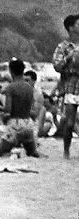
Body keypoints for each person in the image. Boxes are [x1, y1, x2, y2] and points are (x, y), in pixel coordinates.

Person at [0, 59, 39, 157]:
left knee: (2, 152)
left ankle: (17, 155)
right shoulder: (29, 88)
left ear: (11, 71)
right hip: (28, 124)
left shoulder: (11, 88)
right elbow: (32, 109)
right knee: (32, 153)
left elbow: (8, 109)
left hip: (15, 124)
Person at [52, 14, 79, 159]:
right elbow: (56, 66)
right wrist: (69, 57)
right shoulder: (62, 46)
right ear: (71, 28)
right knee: (69, 122)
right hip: (70, 84)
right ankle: (66, 151)